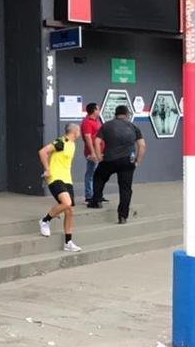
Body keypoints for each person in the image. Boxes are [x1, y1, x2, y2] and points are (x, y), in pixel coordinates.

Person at [89, 105, 146, 224]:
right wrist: (137, 162)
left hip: (109, 160)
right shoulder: (133, 126)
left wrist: (99, 156)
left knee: (98, 177)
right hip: (127, 162)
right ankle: (122, 216)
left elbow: (97, 141)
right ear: (127, 114)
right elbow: (142, 146)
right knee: (125, 189)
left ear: (115, 114)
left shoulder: (107, 125)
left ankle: (96, 200)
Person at [37, 123, 82, 252]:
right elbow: (42, 152)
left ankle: (68, 243)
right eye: (78, 131)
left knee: (70, 211)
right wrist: (47, 169)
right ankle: (45, 220)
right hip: (55, 178)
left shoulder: (72, 144)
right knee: (66, 203)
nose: (79, 133)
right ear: (74, 131)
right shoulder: (61, 141)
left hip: (67, 180)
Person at [80, 102, 104, 204]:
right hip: (92, 153)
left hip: (101, 152)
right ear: (94, 111)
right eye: (98, 109)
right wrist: (93, 153)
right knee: (91, 174)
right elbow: (88, 138)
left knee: (99, 174)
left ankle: (98, 195)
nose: (99, 111)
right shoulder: (87, 122)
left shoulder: (97, 121)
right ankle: (89, 196)